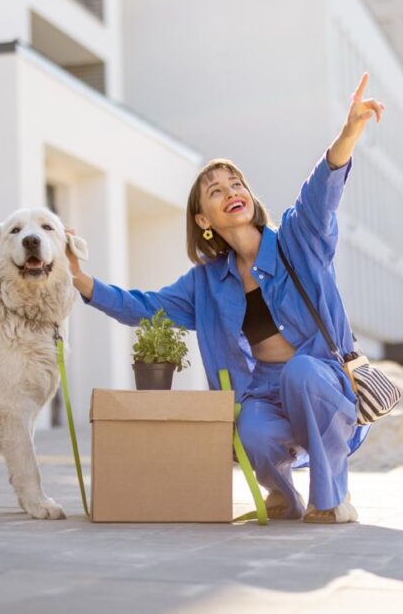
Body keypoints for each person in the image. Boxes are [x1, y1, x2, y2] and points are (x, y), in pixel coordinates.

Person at [66, 73, 385, 523]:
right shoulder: (206, 283)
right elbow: (145, 306)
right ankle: (282, 495)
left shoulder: (299, 238)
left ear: (249, 196)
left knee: (300, 371)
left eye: (235, 183)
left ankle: (331, 499)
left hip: (323, 381)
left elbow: (323, 189)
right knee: (251, 425)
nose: (231, 191)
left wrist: (350, 130)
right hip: (264, 390)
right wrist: (83, 282)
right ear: (204, 220)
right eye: (216, 190)